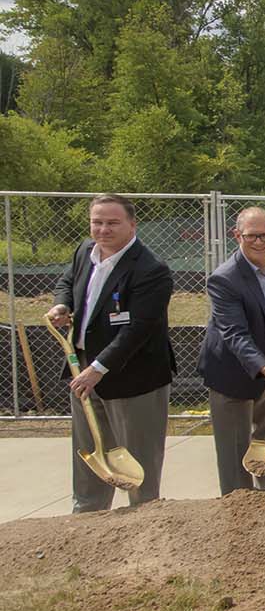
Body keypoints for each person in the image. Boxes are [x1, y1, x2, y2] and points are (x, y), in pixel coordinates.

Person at [47, 194, 176, 512]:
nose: (103, 230)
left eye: (112, 223)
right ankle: (88, 514)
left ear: (132, 225)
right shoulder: (85, 251)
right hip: (84, 371)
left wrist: (98, 368)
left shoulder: (151, 270)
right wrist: (62, 304)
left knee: (138, 461)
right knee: (90, 450)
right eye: (97, 222)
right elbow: (67, 281)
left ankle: (143, 519)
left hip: (134, 377)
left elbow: (138, 330)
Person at [198, 207, 265, 495]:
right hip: (231, 371)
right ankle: (238, 504)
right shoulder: (224, 279)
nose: (259, 242)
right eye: (251, 236)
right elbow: (235, 335)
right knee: (235, 451)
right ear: (237, 235)